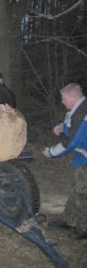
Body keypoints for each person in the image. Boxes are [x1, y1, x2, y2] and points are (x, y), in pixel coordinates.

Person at [42, 83, 87, 240]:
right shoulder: (78, 109)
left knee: (83, 194)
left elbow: (72, 142)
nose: (62, 101)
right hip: (82, 157)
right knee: (77, 189)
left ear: (73, 97)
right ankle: (68, 219)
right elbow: (72, 126)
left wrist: (51, 152)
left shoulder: (83, 113)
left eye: (64, 98)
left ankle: (83, 228)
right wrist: (62, 128)